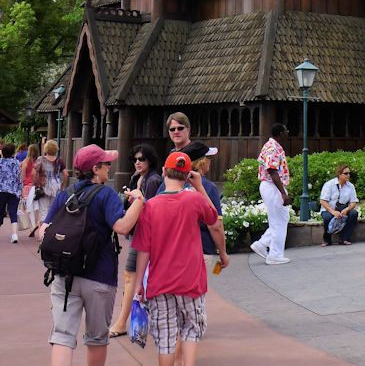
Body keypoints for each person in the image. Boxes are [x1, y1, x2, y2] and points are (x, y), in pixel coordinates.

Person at [40, 143, 144, 365]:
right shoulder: (107, 194)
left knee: (62, 336)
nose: (109, 168)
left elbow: (43, 230)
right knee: (96, 338)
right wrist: (139, 201)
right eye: (106, 164)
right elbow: (122, 227)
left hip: (64, 274)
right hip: (99, 277)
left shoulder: (65, 195)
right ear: (95, 169)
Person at [133, 150, 228, 366]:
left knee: (166, 335)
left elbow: (143, 250)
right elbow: (213, 219)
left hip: (160, 280)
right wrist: (200, 186)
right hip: (190, 279)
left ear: (165, 171)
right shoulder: (194, 199)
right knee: (191, 328)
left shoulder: (150, 206)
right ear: (187, 176)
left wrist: (140, 283)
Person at [109, 143, 162, 338]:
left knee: (131, 276)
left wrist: (139, 203)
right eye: (135, 159)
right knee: (137, 278)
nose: (138, 162)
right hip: (137, 234)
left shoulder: (153, 180)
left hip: (145, 236)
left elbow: (155, 209)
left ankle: (122, 321)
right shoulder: (136, 178)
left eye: (142, 159)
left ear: (150, 160)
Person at [250, 123, 291, 265]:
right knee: (279, 221)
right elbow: (272, 170)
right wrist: (283, 193)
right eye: (286, 131)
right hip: (273, 186)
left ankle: (262, 244)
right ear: (280, 133)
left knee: (280, 219)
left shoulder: (269, 145)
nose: (287, 133)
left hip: (270, 186)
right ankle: (275, 255)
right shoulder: (273, 148)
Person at [319, 163, 359, 246]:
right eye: (346, 173)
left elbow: (354, 202)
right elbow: (322, 201)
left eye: (349, 173)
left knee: (353, 214)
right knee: (327, 218)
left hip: (343, 208)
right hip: (329, 209)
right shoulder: (329, 184)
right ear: (339, 174)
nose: (348, 175)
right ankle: (327, 240)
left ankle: (344, 238)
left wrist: (347, 209)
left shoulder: (350, 186)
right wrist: (333, 212)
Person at [32, 139, 68, 226]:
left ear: (46, 149)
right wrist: (63, 185)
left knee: (43, 210)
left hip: (43, 186)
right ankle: (51, 230)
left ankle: (43, 232)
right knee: (53, 209)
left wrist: (35, 183)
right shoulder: (59, 161)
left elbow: (34, 173)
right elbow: (66, 174)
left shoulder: (41, 159)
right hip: (56, 186)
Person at [0, 143, 23, 243]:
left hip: (1, 190)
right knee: (13, 212)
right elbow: (19, 178)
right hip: (13, 190)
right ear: (13, 152)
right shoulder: (17, 163)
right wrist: (20, 190)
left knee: (0, 211)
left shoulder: (0, 162)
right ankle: (14, 235)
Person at [20, 142, 40, 234]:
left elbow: (23, 177)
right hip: (36, 186)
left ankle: (32, 226)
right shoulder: (39, 162)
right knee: (37, 207)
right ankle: (38, 223)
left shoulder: (25, 162)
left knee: (29, 208)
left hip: (27, 186)